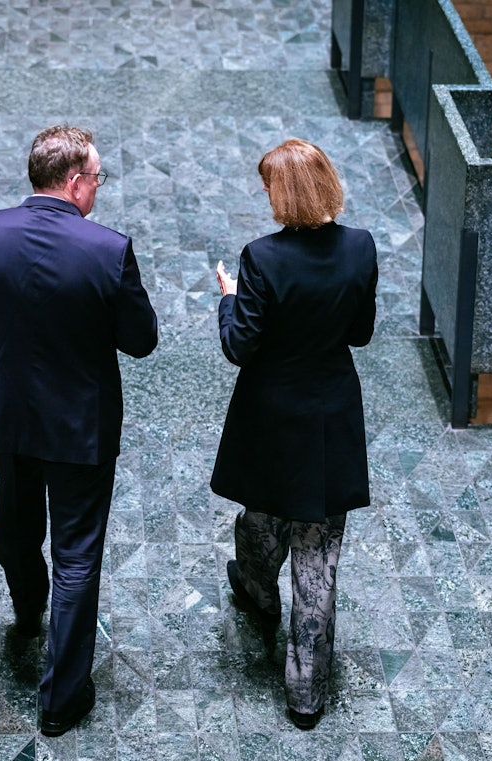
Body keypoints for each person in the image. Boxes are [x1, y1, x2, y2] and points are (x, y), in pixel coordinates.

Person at [0, 125, 158, 737]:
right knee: (78, 553)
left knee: (16, 524)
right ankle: (62, 700)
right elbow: (141, 341)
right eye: (97, 178)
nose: (98, 188)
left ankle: (26, 604)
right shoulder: (108, 250)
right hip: (81, 429)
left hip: (10, 415)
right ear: (73, 182)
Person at [212, 138, 377, 730]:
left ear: (282, 194)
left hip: (273, 415)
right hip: (331, 415)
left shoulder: (262, 258)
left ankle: (257, 589)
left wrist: (229, 299)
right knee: (320, 551)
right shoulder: (360, 248)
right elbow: (359, 334)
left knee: (262, 516)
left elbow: (239, 346)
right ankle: (306, 695)